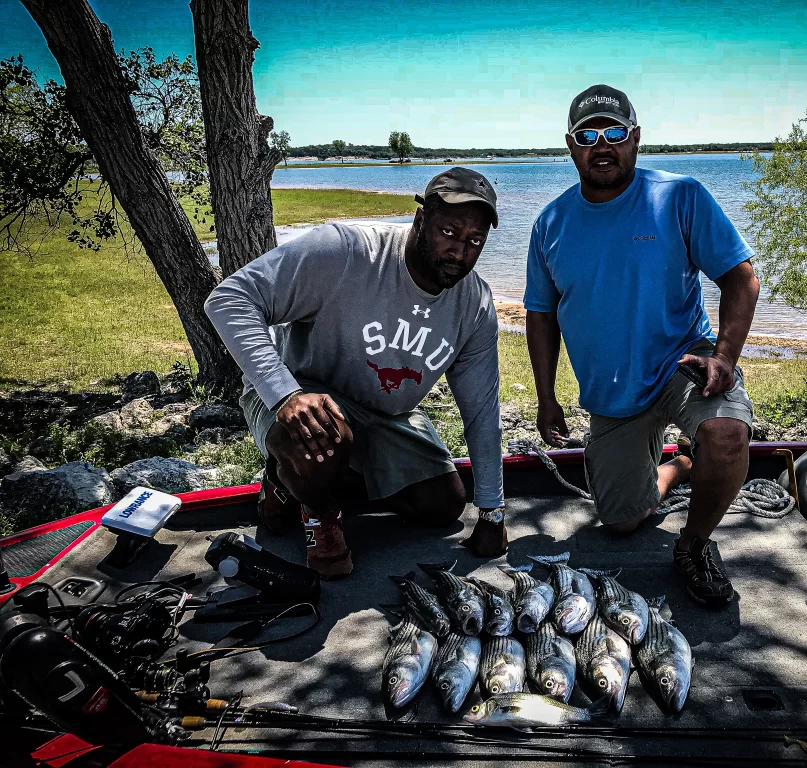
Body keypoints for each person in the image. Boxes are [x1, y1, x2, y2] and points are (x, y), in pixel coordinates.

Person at [205, 167, 508, 578]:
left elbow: (481, 411)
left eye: (475, 241)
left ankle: (291, 483)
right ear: (420, 220)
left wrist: (491, 512)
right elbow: (229, 299)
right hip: (298, 397)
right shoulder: (345, 251)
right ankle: (319, 514)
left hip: (385, 414)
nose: (460, 252)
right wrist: (283, 394)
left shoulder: (475, 304)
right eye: (449, 232)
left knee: (443, 505)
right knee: (323, 435)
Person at [524, 85, 760, 607]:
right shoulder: (550, 224)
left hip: (683, 362)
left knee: (725, 435)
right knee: (621, 522)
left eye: (614, 133)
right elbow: (541, 317)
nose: (602, 145)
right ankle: (678, 465)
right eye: (589, 135)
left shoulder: (680, 195)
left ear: (636, 138)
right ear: (570, 146)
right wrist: (545, 397)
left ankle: (695, 545)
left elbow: (741, 279)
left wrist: (724, 357)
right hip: (613, 390)